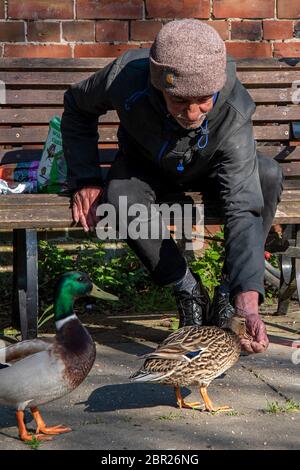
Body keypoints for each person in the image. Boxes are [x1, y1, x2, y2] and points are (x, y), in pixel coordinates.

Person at [61, 19, 283, 354]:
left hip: (211, 172)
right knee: (119, 197)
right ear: (157, 85)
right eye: (179, 101)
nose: (193, 113)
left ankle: (226, 293)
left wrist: (247, 300)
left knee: (266, 175)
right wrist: (86, 178)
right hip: (144, 166)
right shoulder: (125, 77)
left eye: (203, 100)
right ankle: (186, 288)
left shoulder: (235, 108)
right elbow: (77, 106)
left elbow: (243, 204)